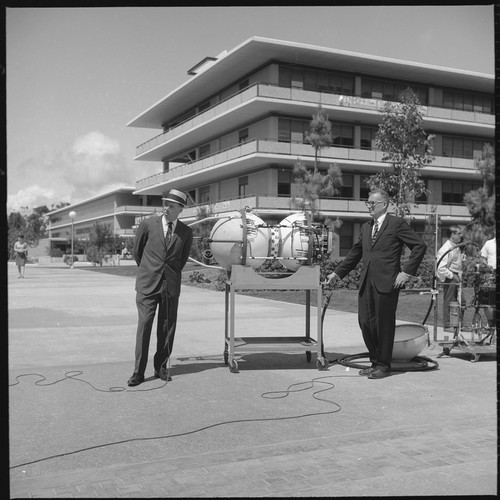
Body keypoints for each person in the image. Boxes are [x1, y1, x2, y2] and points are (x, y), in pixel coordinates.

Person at [326, 189, 427, 379]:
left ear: (384, 204)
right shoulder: (366, 227)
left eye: (373, 203)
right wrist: (337, 273)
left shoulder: (396, 224)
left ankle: (384, 366)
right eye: (368, 203)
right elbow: (355, 254)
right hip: (367, 282)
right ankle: (375, 362)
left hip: (387, 283)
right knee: (365, 323)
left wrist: (406, 272)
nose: (369, 207)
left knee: (384, 326)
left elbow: (419, 246)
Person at [128, 189, 193, 387]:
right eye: (165, 203)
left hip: (170, 286)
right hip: (148, 284)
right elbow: (137, 252)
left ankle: (161, 367)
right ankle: (138, 372)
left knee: (166, 328)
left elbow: (181, 261)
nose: (167, 207)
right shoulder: (147, 225)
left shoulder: (186, 232)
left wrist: (168, 276)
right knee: (145, 325)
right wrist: (150, 271)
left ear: (180, 209)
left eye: (172, 205)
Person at [436, 226, 466, 333]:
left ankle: (458, 324)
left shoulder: (456, 247)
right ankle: (448, 325)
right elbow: (440, 268)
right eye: (458, 233)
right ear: (452, 235)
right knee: (449, 301)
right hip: (450, 278)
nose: (460, 235)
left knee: (462, 302)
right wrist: (453, 276)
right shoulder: (445, 249)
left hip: (457, 276)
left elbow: (456, 261)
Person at [480, 234, 496, 327]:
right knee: (487, 301)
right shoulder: (488, 243)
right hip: (490, 274)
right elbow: (482, 258)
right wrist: (486, 266)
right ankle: (491, 322)